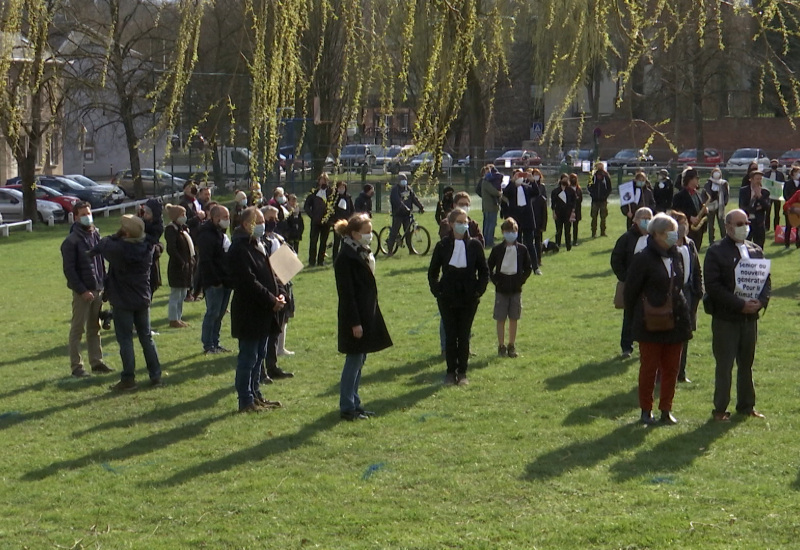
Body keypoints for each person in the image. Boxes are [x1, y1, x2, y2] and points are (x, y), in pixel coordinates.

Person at [624, 213, 692, 425]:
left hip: (676, 321)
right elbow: (631, 292)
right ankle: (646, 410)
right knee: (649, 368)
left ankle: (666, 409)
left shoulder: (677, 255)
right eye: (670, 232)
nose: (675, 235)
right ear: (657, 234)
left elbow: (681, 283)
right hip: (650, 322)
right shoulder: (642, 258)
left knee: (672, 368)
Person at [704, 209, 770, 421]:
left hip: (750, 319)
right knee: (724, 365)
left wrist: (760, 302)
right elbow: (713, 286)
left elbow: (765, 280)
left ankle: (746, 405)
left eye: (746, 222)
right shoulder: (715, 252)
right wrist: (739, 305)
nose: (744, 226)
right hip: (726, 318)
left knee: (746, 363)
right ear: (728, 226)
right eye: (739, 223)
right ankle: (720, 410)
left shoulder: (756, 250)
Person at [90, 215, 162, 391]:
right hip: (142, 298)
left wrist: (116, 235)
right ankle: (156, 375)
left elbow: (105, 243)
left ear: (127, 232)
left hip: (122, 300)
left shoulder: (119, 249)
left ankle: (128, 378)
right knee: (146, 337)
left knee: (125, 340)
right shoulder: (148, 247)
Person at [333, 213, 393, 421]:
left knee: (360, 360)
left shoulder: (359, 251)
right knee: (354, 360)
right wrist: (355, 323)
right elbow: (347, 294)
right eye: (367, 232)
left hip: (366, 312)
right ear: (354, 233)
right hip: (355, 316)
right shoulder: (346, 257)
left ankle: (355, 402)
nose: (370, 236)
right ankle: (347, 406)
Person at [227, 206, 284, 413]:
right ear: (246, 224)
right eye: (258, 221)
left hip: (263, 311)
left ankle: (256, 395)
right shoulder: (239, 249)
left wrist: (279, 294)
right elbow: (247, 282)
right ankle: (245, 400)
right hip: (249, 312)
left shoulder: (257, 244)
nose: (263, 225)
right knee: (248, 358)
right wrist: (271, 300)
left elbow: (270, 272)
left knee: (259, 357)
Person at [428, 207, 489, 386]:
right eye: (460, 222)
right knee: (450, 334)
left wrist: (478, 291)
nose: (464, 225)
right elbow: (433, 272)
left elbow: (484, 271)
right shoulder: (443, 245)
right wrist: (437, 291)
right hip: (447, 297)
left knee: (463, 335)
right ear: (452, 224)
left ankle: (462, 372)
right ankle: (450, 372)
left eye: (466, 222)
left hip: (469, 297)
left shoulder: (475, 245)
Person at [60, 201, 112, 378]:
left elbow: (100, 263)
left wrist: (104, 285)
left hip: (97, 288)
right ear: (75, 217)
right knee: (77, 330)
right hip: (83, 292)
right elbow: (69, 271)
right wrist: (82, 291)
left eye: (88, 213)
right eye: (83, 214)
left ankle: (97, 362)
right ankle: (77, 367)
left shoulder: (95, 234)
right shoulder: (71, 241)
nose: (87, 216)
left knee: (94, 328)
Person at [611, 207, 653, 359]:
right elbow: (616, 260)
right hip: (631, 285)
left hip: (649, 285)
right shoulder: (626, 238)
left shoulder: (654, 238)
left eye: (650, 217)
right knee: (629, 315)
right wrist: (625, 277)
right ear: (635, 220)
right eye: (644, 217)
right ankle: (626, 347)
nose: (647, 220)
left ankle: (646, 344)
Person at [487, 217, 532, 358]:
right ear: (503, 232)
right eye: (507, 231)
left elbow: (528, 268)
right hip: (501, 289)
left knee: (514, 317)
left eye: (513, 231)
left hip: (516, 290)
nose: (510, 234)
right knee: (501, 318)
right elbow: (489, 267)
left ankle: (511, 345)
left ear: (517, 232)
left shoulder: (522, 250)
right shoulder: (498, 250)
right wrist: (496, 281)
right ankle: (501, 345)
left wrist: (521, 281)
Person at [259, 206, 296, 375]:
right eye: (269, 218)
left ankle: (272, 366)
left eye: (275, 218)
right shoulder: (259, 241)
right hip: (269, 287)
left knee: (278, 326)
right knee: (266, 330)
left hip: (283, 283)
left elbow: (290, 255)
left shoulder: (277, 238)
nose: (273, 221)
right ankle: (262, 369)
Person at [668, 210, 703, 383]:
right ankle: (667, 372)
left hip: (690, 293)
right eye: (681, 223)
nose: (685, 227)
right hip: (672, 294)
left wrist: (699, 291)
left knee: (686, 333)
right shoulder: (667, 246)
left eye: (686, 224)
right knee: (671, 333)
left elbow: (697, 269)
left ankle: (681, 373)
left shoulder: (690, 244)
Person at [195, 205, 233, 354]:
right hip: (214, 281)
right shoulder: (206, 235)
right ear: (215, 218)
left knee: (220, 313)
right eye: (225, 218)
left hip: (225, 280)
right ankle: (208, 344)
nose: (227, 220)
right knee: (212, 313)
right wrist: (215, 280)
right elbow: (206, 261)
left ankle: (215, 342)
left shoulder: (220, 233)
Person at [503, 171, 541, 274]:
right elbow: (505, 193)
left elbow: (536, 192)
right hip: (516, 220)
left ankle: (535, 267)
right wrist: (513, 181)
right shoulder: (511, 189)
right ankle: (518, 266)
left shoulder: (527, 188)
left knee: (530, 244)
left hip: (527, 219)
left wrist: (532, 181)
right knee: (517, 243)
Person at [164, 204, 195, 329]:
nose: (185, 217)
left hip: (186, 265)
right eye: (182, 215)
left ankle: (178, 317)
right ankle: (173, 319)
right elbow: (171, 248)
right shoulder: (171, 229)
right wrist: (181, 261)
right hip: (177, 266)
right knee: (176, 294)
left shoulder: (182, 228)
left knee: (182, 293)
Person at [386, 174, 424, 255]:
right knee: (394, 231)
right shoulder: (395, 190)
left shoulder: (408, 189)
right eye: (402, 180)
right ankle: (390, 250)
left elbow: (414, 198)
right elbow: (397, 201)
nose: (404, 181)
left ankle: (411, 250)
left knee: (408, 233)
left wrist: (420, 206)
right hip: (398, 214)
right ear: (398, 181)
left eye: (405, 179)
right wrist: (404, 207)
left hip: (407, 215)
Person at [303, 173, 335, 267]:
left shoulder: (331, 192)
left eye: (325, 180)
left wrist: (330, 217)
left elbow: (334, 205)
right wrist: (312, 216)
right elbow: (307, 206)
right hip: (315, 222)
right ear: (319, 181)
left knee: (323, 242)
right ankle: (312, 261)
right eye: (322, 180)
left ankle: (321, 261)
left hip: (326, 222)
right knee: (313, 241)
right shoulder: (314, 193)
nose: (323, 182)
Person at [671, 167, 705, 250]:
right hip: (686, 228)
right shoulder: (679, 196)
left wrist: (704, 210)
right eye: (696, 178)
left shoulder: (698, 193)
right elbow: (675, 211)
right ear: (690, 179)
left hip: (698, 229)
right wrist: (689, 217)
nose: (698, 180)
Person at [738, 170, 770, 249]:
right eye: (757, 179)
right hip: (747, 221)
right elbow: (742, 206)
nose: (759, 181)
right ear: (751, 179)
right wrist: (754, 207)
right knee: (744, 245)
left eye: (760, 179)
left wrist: (760, 196)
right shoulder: (743, 191)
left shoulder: (765, 192)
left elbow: (767, 207)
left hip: (759, 223)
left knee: (759, 246)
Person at [139, 198, 164, 300]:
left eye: (148, 213)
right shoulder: (142, 221)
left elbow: (153, 240)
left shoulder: (157, 227)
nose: (145, 214)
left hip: (150, 264)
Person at [703, 168, 730, 245]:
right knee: (711, 224)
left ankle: (724, 239)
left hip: (720, 207)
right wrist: (706, 203)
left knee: (722, 223)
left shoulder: (724, 183)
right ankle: (711, 241)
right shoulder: (708, 183)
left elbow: (726, 195)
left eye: (718, 172)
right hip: (710, 207)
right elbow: (704, 194)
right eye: (715, 172)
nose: (716, 174)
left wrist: (724, 203)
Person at [551, 173, 577, 251]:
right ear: (561, 180)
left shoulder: (571, 191)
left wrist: (572, 213)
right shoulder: (555, 191)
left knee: (567, 231)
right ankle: (557, 246)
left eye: (567, 179)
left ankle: (568, 246)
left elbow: (574, 203)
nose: (565, 180)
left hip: (568, 214)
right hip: (558, 213)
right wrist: (554, 213)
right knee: (558, 231)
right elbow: (553, 203)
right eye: (564, 179)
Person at [481, 164, 503, 247]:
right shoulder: (486, 182)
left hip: (487, 206)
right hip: (490, 206)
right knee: (491, 224)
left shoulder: (485, 181)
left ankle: (486, 240)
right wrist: (500, 193)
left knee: (487, 224)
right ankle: (489, 241)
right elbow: (494, 192)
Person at [331, 181, 355, 260]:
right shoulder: (334, 198)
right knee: (337, 241)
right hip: (337, 222)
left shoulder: (348, 197)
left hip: (346, 221)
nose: (342, 189)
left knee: (345, 241)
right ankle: (335, 257)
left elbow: (352, 209)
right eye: (340, 187)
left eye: (343, 187)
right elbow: (332, 210)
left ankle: (343, 257)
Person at [588, 162, 612, 237]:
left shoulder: (606, 176)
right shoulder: (593, 176)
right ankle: (593, 232)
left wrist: (605, 196)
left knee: (603, 217)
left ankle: (603, 232)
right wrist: (593, 195)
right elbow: (589, 186)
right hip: (595, 201)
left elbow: (609, 188)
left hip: (603, 201)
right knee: (594, 217)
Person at [782, 165, 800, 249]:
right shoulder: (788, 183)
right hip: (791, 208)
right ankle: (787, 244)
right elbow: (786, 195)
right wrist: (793, 206)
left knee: (798, 228)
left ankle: (798, 244)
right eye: (797, 172)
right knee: (788, 226)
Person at [764, 159, 784, 230]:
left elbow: (782, 184)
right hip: (768, 196)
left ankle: (776, 227)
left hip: (777, 196)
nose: (774, 165)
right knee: (767, 212)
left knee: (777, 212)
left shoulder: (780, 174)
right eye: (773, 164)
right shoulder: (766, 174)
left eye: (775, 164)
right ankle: (767, 227)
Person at [568, 173, 583, 245]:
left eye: (575, 178)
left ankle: (575, 240)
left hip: (577, 210)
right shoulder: (568, 188)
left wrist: (577, 199)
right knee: (568, 226)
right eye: (572, 178)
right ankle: (568, 240)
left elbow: (581, 199)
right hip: (568, 210)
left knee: (575, 226)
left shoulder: (579, 189)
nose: (573, 180)